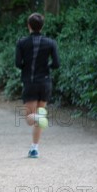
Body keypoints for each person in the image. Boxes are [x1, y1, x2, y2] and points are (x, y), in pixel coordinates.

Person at [15, 12, 60, 158]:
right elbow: (56, 64)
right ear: (42, 26)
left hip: (30, 81)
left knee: (29, 117)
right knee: (40, 115)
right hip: (45, 83)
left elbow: (18, 63)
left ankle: (35, 144)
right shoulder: (51, 42)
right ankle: (34, 149)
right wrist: (46, 66)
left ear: (29, 25)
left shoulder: (22, 42)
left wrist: (27, 67)